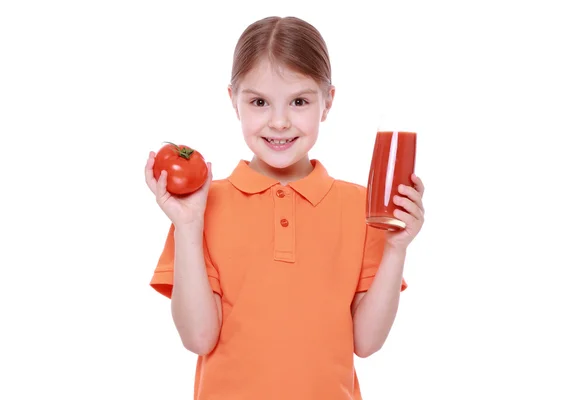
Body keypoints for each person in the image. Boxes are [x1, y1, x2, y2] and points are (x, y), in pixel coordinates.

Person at [144, 15, 425, 400]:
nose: (279, 122)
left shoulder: (361, 207)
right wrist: (189, 228)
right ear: (233, 101)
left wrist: (396, 248)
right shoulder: (201, 207)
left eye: (299, 101)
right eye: (259, 102)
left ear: (327, 102)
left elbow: (367, 342)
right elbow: (198, 337)